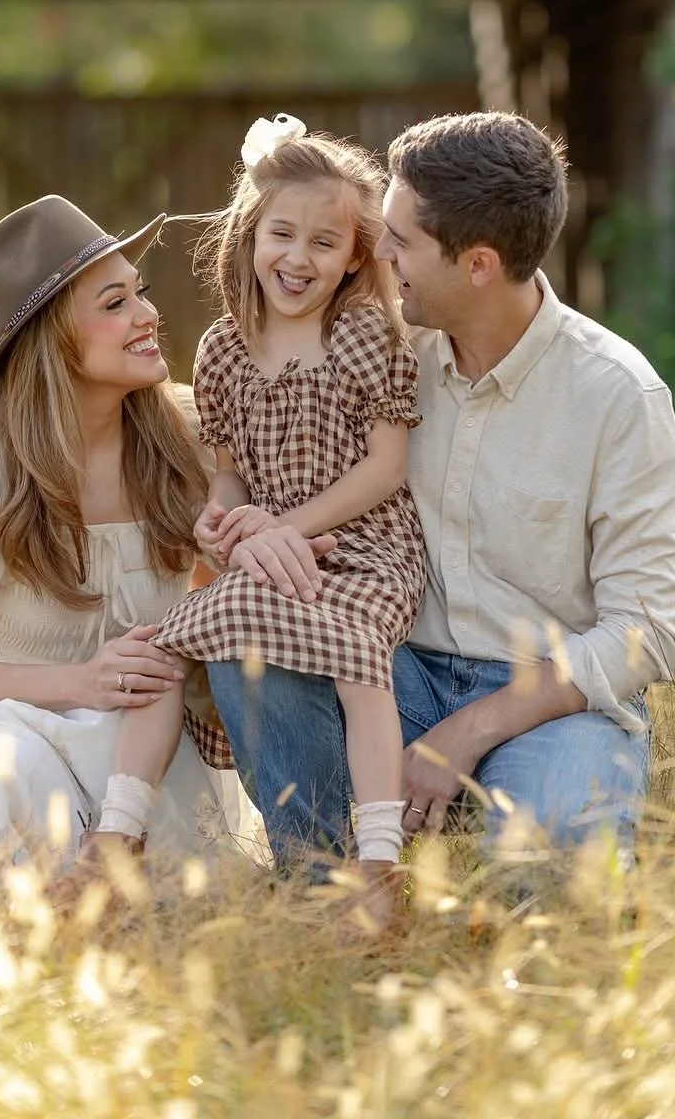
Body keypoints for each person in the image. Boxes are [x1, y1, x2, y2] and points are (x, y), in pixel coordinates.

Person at [203, 110, 675, 867]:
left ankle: (502, 819)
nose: (379, 252)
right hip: (387, 671)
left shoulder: (615, 394)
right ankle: (322, 890)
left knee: (555, 861)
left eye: (401, 241)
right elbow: (263, 451)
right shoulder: (374, 353)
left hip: (550, 702)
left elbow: (650, 630)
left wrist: (466, 733)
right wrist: (237, 524)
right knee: (249, 637)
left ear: (478, 264)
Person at [0, 195, 253, 902]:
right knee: (5, 774)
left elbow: (208, 592)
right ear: (51, 338)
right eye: (115, 303)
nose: (148, 315)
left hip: (136, 725)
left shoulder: (190, 436)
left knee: (174, 883)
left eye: (140, 293)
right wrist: (81, 682)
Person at [74, 115, 425, 928]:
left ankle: (378, 866)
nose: (298, 259)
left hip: (365, 548)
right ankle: (116, 840)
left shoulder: (362, 336)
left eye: (324, 243)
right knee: (169, 643)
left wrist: (285, 527)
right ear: (250, 235)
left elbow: (386, 468)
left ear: (355, 257)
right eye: (282, 235)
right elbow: (230, 472)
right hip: (270, 551)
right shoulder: (226, 351)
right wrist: (223, 519)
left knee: (358, 657)